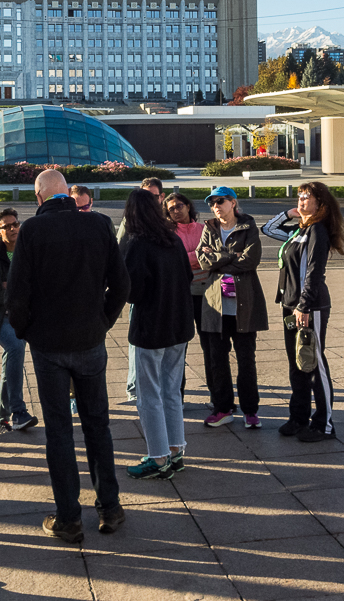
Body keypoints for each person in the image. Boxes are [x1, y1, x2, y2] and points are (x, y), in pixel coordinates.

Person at [7, 169, 130, 543]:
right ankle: (109, 507)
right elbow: (121, 284)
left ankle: (68, 517)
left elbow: (17, 293)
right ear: (67, 195)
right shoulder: (99, 225)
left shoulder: (31, 231)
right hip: (90, 340)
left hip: (49, 346)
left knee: (59, 431)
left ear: (40, 198)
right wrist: (103, 321)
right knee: (98, 425)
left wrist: (28, 331)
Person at [262, 182, 344, 442]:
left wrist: (304, 306)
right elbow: (268, 228)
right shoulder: (300, 230)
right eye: (299, 197)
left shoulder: (317, 232)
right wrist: (289, 214)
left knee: (314, 362)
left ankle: (324, 425)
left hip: (309, 306)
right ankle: (299, 418)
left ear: (321, 203)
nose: (301, 201)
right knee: (297, 362)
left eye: (306, 198)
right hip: (289, 305)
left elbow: (313, 272)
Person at [121, 189, 194, 479]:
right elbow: (187, 277)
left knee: (148, 394)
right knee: (171, 390)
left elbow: (133, 291)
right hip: (179, 325)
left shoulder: (139, 244)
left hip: (151, 327)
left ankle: (158, 456)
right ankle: (176, 450)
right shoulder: (173, 239)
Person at [196, 186, 267, 428]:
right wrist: (230, 256)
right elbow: (203, 260)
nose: (216, 206)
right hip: (216, 307)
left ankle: (250, 411)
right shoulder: (209, 228)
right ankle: (223, 408)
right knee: (217, 359)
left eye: (221, 201)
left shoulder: (247, 226)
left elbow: (251, 260)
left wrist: (219, 257)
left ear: (233, 203)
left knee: (246, 359)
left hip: (243, 306)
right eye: (212, 202)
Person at [0, 208, 38, 436]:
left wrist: (11, 287)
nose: (13, 229)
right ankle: (18, 413)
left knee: (10, 363)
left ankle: (0, 421)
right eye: (7, 226)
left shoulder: (27, 251)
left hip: (22, 315)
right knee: (15, 346)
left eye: (15, 224)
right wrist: (19, 291)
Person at [118, 177, 166, 400]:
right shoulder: (131, 222)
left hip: (166, 295)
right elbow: (120, 251)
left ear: (161, 197)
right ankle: (134, 387)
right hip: (143, 295)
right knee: (138, 344)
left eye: (153, 196)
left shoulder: (169, 220)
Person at [164, 193, 210, 398]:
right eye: (171, 208)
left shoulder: (204, 229)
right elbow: (174, 261)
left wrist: (185, 257)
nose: (176, 211)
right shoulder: (167, 233)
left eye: (179, 206)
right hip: (179, 293)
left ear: (189, 206)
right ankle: (177, 395)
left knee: (209, 344)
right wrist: (197, 255)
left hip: (205, 292)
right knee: (177, 348)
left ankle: (217, 395)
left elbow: (211, 257)